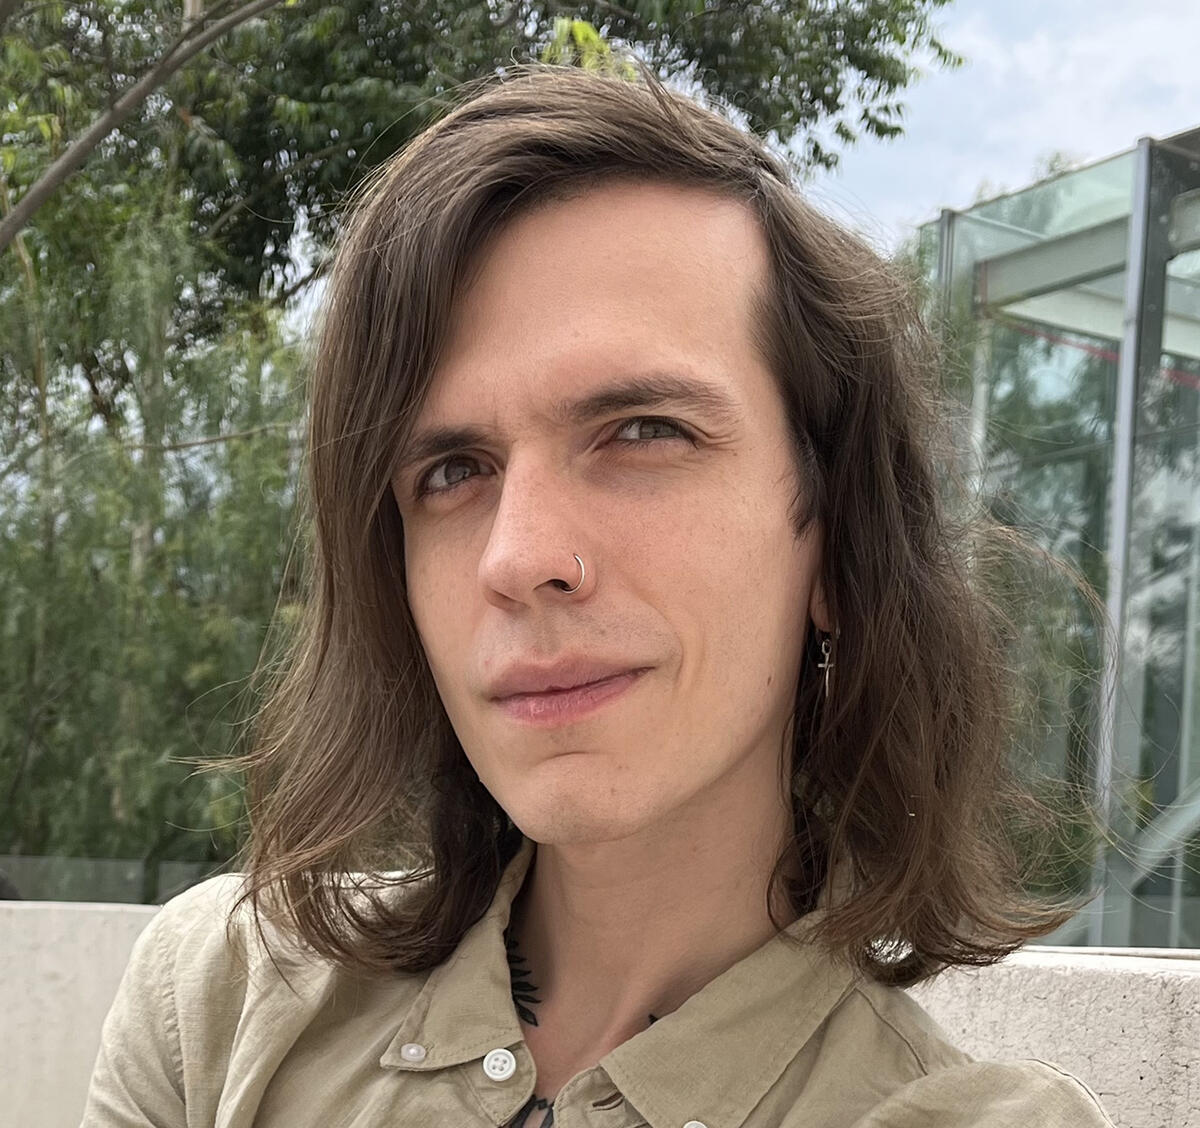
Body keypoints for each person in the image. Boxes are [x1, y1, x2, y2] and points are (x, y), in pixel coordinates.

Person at [81, 62, 1116, 1128]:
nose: (517, 555)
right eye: (451, 470)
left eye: (643, 432)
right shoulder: (223, 1002)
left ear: (836, 543)